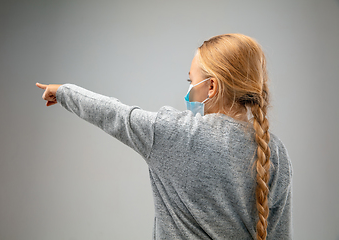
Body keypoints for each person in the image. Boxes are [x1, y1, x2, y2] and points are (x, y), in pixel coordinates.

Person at [36, 33, 292, 240]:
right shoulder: (274, 153)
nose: (188, 91)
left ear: (211, 86)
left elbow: (113, 113)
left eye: (191, 81)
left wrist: (62, 91)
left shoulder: (174, 132)